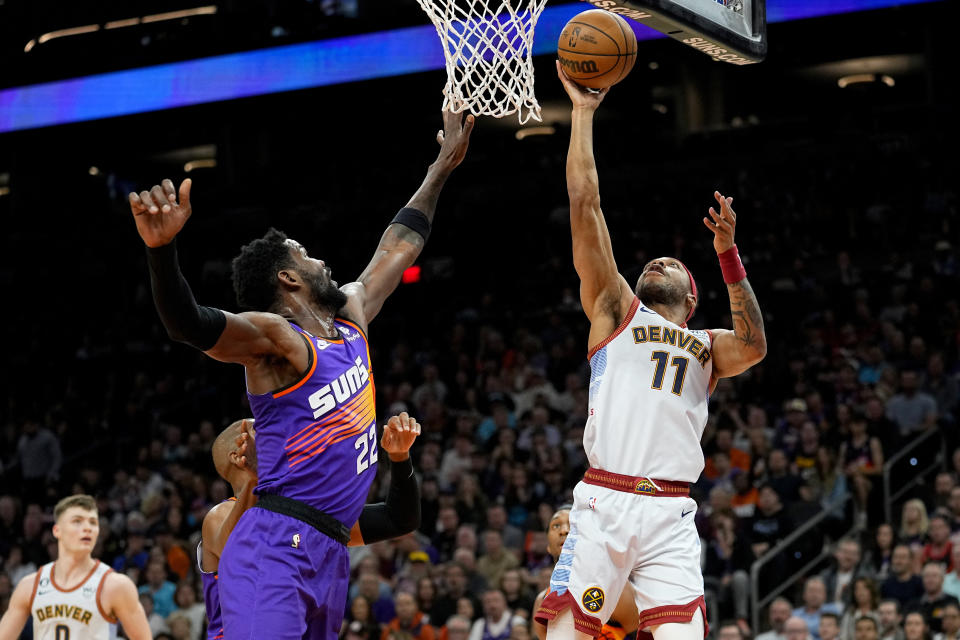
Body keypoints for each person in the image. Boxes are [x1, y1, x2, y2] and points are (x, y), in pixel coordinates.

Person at [130, 107, 472, 640]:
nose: (322, 262)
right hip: (274, 544)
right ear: (289, 277)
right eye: (307, 255)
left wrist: (441, 168)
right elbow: (189, 325)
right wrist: (160, 251)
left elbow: (398, 246)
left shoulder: (351, 317)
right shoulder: (277, 341)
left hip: (331, 549)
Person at [536, 62, 767, 640]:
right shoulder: (616, 308)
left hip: (671, 512)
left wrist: (728, 255)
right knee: (565, 633)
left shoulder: (705, 346)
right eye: (651, 263)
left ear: (692, 300)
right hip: (604, 503)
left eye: (672, 264)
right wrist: (584, 113)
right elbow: (585, 204)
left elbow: (755, 346)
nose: (657, 261)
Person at [200, 415, 425, 639]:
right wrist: (253, 480)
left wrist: (399, 456)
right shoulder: (219, 515)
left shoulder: (305, 514)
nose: (280, 433)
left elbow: (398, 519)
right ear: (238, 454)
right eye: (262, 430)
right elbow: (243, 549)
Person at [0, 494, 152, 639]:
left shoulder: (115, 585)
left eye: (92, 522)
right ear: (57, 530)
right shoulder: (30, 585)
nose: (87, 528)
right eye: (77, 522)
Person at [532, 506, 639, 640]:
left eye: (573, 524)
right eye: (556, 526)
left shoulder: (613, 586)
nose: (564, 531)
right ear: (548, 546)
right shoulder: (541, 600)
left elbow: (642, 636)